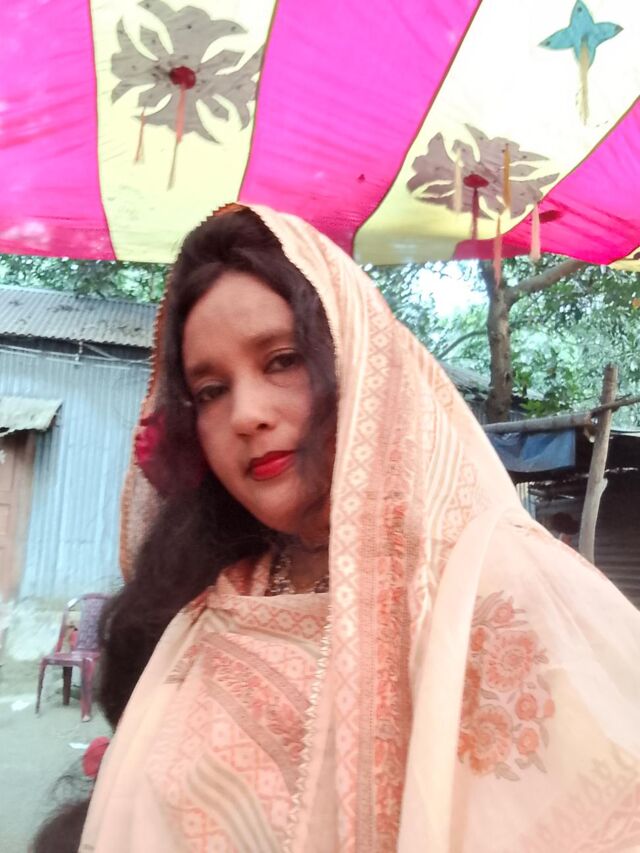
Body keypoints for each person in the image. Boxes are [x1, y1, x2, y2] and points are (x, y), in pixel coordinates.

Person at [34, 205, 640, 853]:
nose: (245, 414)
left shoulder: (497, 584)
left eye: (282, 359)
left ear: (362, 365)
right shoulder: (206, 609)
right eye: (210, 390)